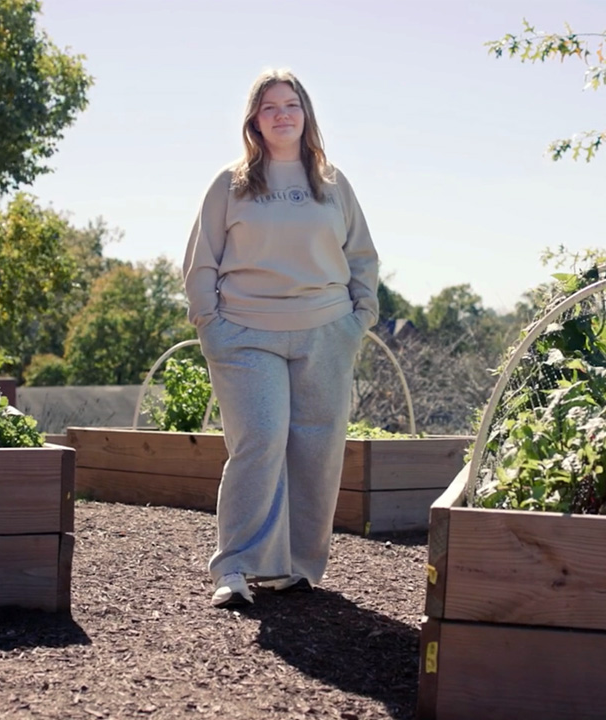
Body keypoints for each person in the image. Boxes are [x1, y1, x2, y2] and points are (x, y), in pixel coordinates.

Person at [182, 68, 380, 608]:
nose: (281, 114)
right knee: (261, 439)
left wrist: (359, 316)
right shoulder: (232, 183)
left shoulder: (333, 182)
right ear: (254, 120)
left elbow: (361, 254)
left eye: (290, 104)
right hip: (246, 333)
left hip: (326, 330)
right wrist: (210, 323)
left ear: (305, 113)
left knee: (316, 449)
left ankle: (294, 567)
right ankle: (237, 567)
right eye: (269, 107)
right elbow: (201, 261)